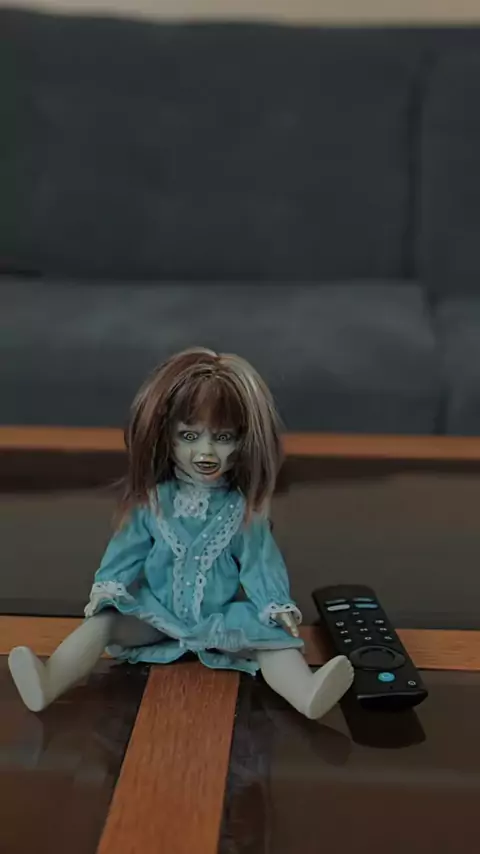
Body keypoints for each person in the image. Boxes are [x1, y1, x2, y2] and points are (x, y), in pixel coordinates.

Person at [9, 347, 353, 717]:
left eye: (223, 437)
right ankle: (49, 680)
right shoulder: (153, 502)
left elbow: (260, 565)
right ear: (165, 437)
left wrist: (275, 604)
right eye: (189, 436)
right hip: (157, 615)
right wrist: (108, 587)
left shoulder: (242, 512)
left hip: (219, 620)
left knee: (275, 641)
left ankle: (306, 693)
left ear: (244, 441)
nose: (206, 452)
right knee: (103, 623)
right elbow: (125, 552)